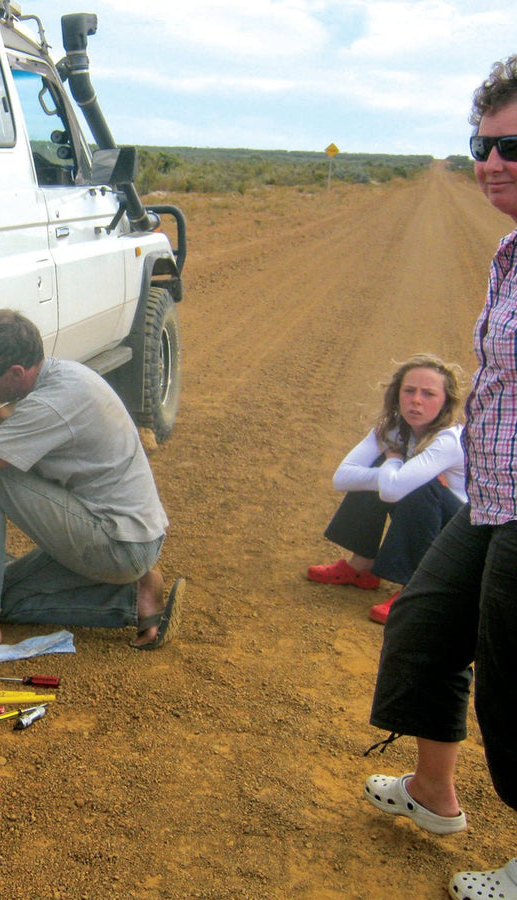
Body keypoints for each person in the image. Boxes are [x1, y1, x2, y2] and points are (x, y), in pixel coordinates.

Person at [362, 54, 517, 900]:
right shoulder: (510, 252)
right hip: (493, 493)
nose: (490, 162)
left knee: (514, 677)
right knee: (423, 625)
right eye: (481, 144)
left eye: (511, 145)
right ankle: (433, 795)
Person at [0, 309, 183, 656]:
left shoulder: (52, 404)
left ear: (16, 372)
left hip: (117, 542)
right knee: (5, 598)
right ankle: (133, 598)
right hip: (131, 534)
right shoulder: (65, 375)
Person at [307, 354, 466, 624]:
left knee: (413, 484)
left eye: (428, 394)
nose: (416, 400)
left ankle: (415, 590)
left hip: (460, 532)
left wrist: (394, 463)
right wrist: (389, 469)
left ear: (445, 401)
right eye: (409, 390)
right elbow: (342, 477)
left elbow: (393, 491)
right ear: (397, 394)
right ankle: (361, 567)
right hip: (428, 514)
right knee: (387, 473)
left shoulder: (449, 439)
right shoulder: (392, 428)